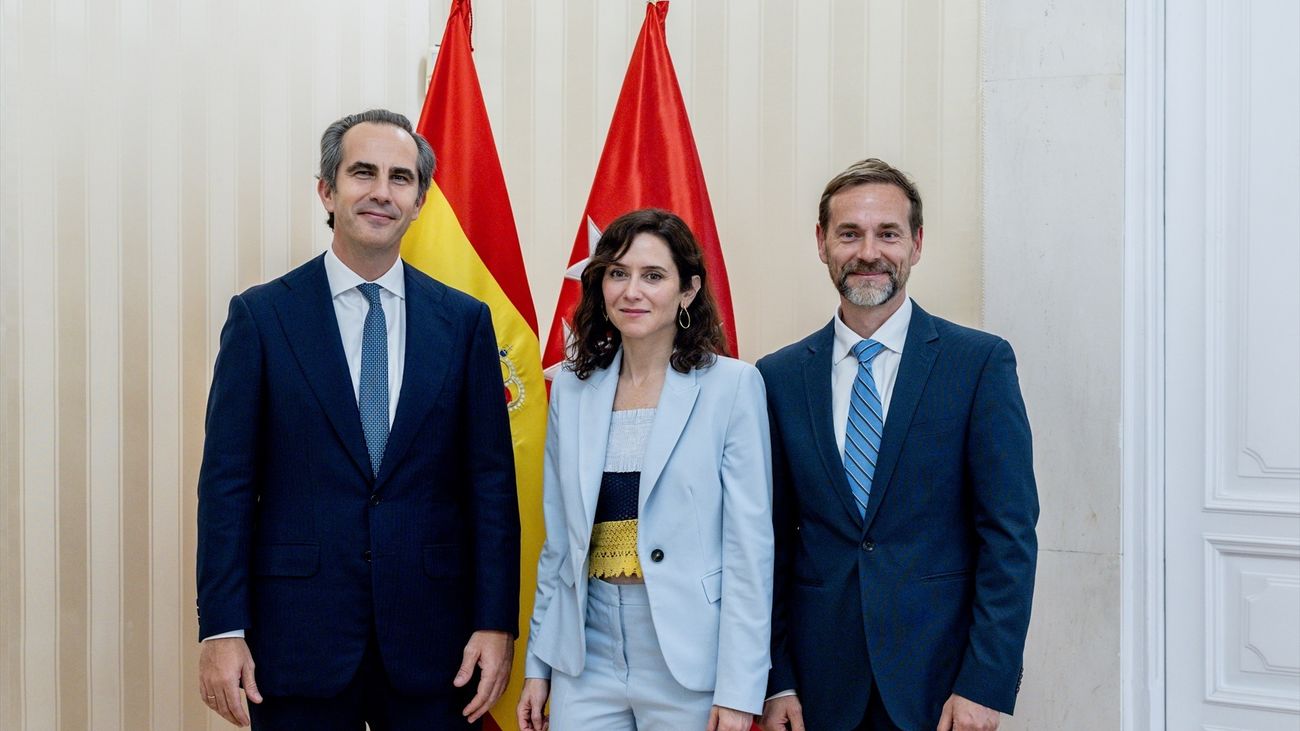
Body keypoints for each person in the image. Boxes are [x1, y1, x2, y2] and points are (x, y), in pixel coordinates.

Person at [195, 109, 519, 729]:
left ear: (420, 200)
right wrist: (222, 629)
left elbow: (491, 489)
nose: (381, 192)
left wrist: (495, 621)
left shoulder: (465, 323)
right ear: (327, 189)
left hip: (435, 643)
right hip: (294, 643)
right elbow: (227, 486)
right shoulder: (262, 319)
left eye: (400, 178)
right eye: (362, 173)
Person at [757, 159, 1038, 731]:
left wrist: (984, 685)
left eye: (887, 233)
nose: (868, 252)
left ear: (916, 243)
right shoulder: (777, 377)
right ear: (821, 243)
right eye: (849, 233)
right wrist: (776, 677)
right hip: (815, 690)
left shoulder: (978, 364)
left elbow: (1009, 537)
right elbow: (769, 545)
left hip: (938, 687)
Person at [516, 209, 773, 731]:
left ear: (687, 290)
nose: (632, 290)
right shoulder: (570, 387)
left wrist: (741, 688)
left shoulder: (733, 387)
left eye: (653, 276)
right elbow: (559, 544)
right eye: (618, 273)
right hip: (584, 655)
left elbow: (749, 551)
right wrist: (540, 664)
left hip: (690, 659)